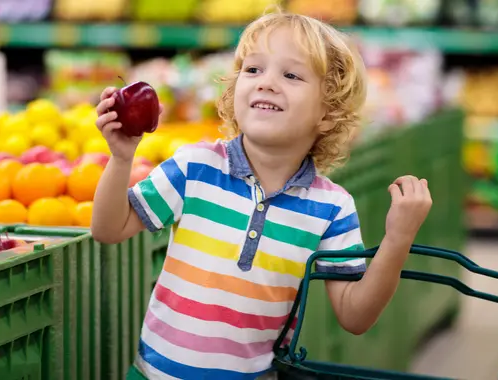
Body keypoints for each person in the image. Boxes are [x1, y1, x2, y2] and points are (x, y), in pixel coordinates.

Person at [91, 8, 432, 380]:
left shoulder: (332, 208)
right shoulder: (195, 167)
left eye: (291, 74)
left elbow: (355, 316)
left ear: (328, 113)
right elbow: (109, 229)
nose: (266, 82)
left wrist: (398, 239)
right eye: (253, 70)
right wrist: (121, 158)